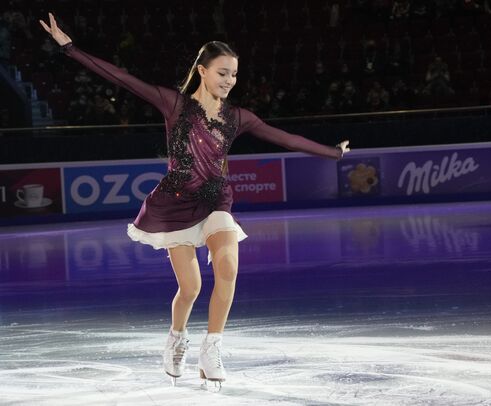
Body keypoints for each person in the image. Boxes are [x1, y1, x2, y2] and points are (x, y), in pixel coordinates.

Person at [40, 12, 351, 389]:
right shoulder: (175, 105)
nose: (230, 81)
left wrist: (332, 153)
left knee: (229, 269)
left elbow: (283, 138)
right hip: (175, 202)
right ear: (202, 70)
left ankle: (212, 346)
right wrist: (69, 47)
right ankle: (176, 339)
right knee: (190, 288)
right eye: (223, 73)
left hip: (217, 199)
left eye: (234, 75)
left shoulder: (238, 117)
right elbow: (122, 79)